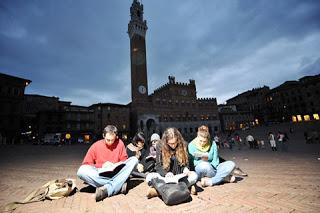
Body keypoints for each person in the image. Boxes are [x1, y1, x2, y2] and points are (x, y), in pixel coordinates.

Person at [77, 125, 138, 202]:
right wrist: (102, 166)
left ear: (116, 137)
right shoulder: (95, 146)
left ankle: (108, 189)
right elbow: (86, 164)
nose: (110, 142)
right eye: (108, 140)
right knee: (81, 171)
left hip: (116, 173)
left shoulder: (120, 143)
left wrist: (116, 165)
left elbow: (124, 160)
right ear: (103, 136)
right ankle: (118, 185)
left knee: (134, 160)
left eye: (112, 140)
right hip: (101, 174)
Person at [145, 128, 198, 198]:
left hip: (179, 177)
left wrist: (185, 169)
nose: (173, 145)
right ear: (166, 141)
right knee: (149, 177)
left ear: (178, 139)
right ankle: (185, 188)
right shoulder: (160, 145)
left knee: (194, 175)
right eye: (170, 143)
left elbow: (186, 163)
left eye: (175, 142)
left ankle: (158, 191)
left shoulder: (184, 145)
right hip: (166, 177)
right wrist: (166, 173)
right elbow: (158, 166)